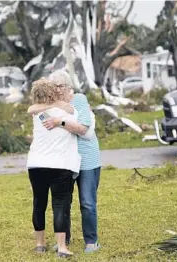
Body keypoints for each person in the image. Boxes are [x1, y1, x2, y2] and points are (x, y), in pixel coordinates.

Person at [28, 71, 102, 253]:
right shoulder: (48, 104)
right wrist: (54, 107)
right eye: (55, 87)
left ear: (69, 87)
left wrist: (59, 121)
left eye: (61, 86)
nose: (58, 90)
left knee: (87, 202)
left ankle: (91, 241)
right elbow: (31, 109)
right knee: (64, 201)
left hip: (86, 159)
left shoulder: (79, 100)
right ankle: (64, 241)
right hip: (64, 161)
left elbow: (85, 130)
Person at [26, 78, 80, 258]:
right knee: (59, 205)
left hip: (36, 164)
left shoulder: (37, 114)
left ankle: (40, 244)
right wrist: (61, 105)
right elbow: (79, 128)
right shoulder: (67, 112)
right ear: (52, 93)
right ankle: (62, 247)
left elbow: (32, 108)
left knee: (38, 203)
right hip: (60, 164)